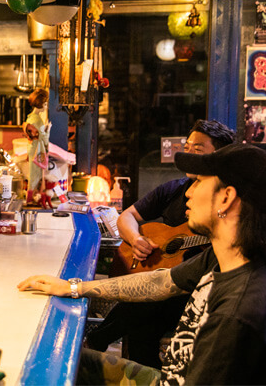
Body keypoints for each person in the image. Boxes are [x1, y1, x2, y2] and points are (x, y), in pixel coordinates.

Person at [18, 144, 266, 385]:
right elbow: (161, 281)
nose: (188, 193)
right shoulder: (240, 253)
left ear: (226, 198)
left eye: (199, 181)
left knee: (44, 370)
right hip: (169, 376)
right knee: (60, 359)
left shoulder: (239, 312)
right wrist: (74, 287)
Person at [87, 119, 236, 368]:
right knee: (145, 319)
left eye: (197, 150)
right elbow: (127, 217)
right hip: (167, 284)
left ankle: (98, 344)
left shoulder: (227, 203)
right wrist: (136, 239)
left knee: (148, 303)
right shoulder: (175, 189)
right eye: (187, 147)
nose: (190, 195)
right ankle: (139, 371)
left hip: (194, 294)